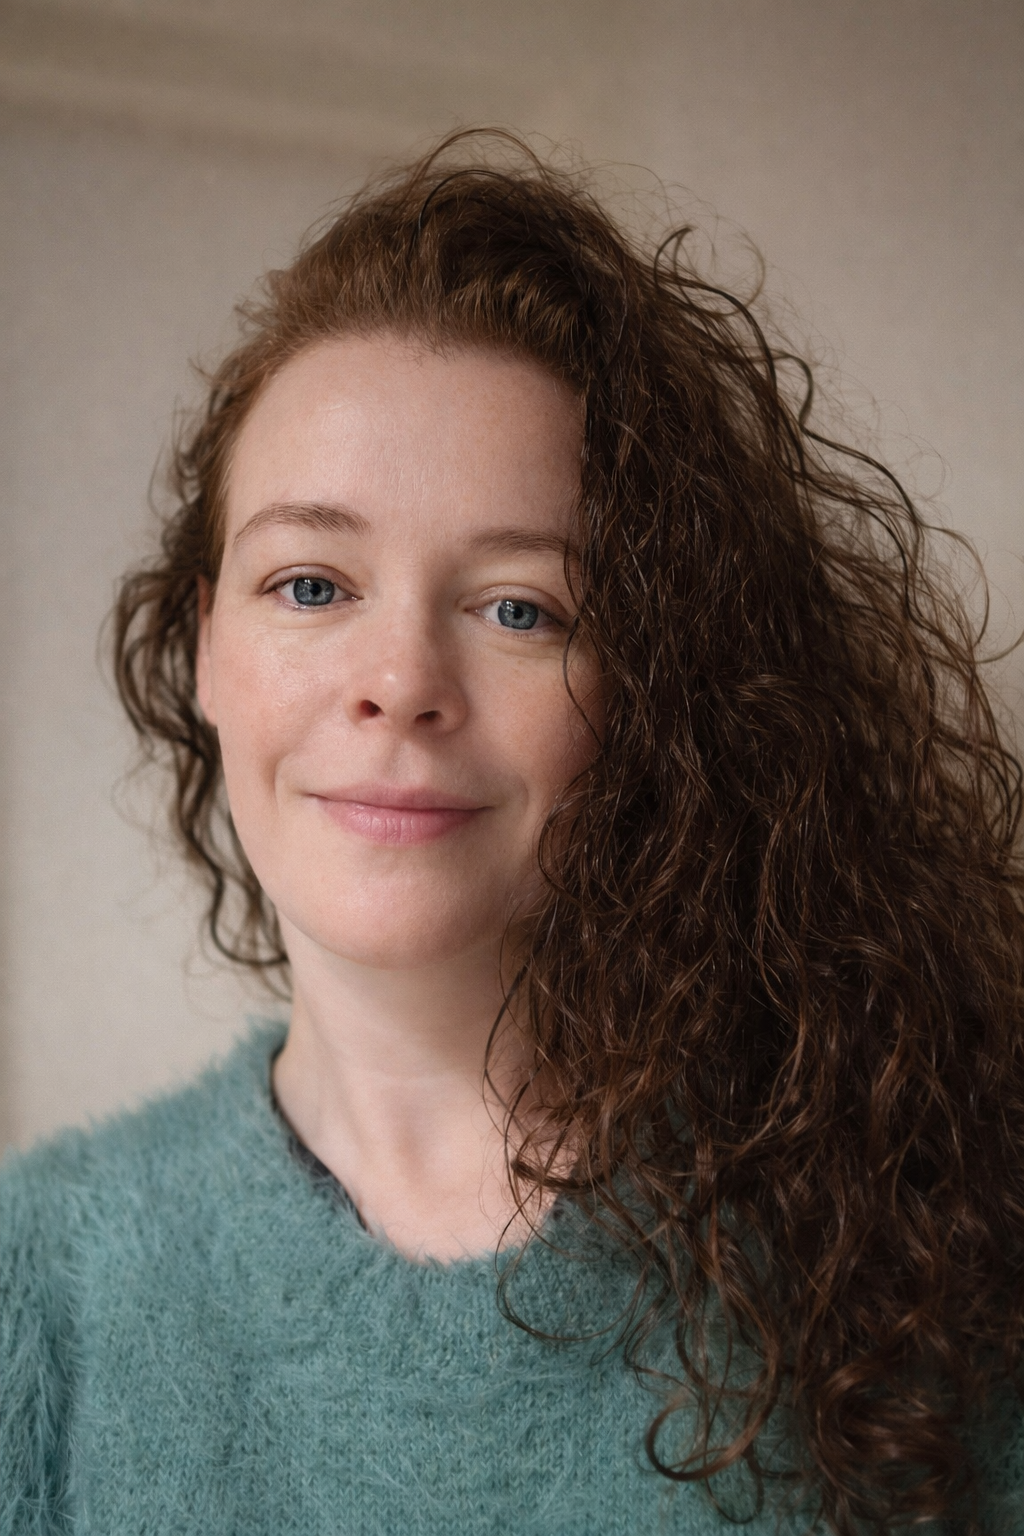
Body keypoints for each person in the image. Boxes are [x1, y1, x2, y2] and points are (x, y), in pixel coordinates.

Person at [2, 130, 1022, 1535]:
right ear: (202, 650)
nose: (401, 680)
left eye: (520, 608)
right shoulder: (38, 1285)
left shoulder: (911, 1253)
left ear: (652, 690)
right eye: (311, 585)